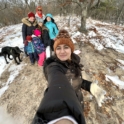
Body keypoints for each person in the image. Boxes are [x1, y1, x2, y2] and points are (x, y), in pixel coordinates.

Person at [32, 30, 105, 124]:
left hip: (77, 102)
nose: (62, 51)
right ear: (55, 50)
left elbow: (76, 80)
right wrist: (61, 117)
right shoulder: (54, 67)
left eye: (66, 47)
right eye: (58, 48)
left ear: (71, 49)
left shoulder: (73, 62)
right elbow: (57, 84)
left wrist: (89, 86)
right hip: (71, 106)